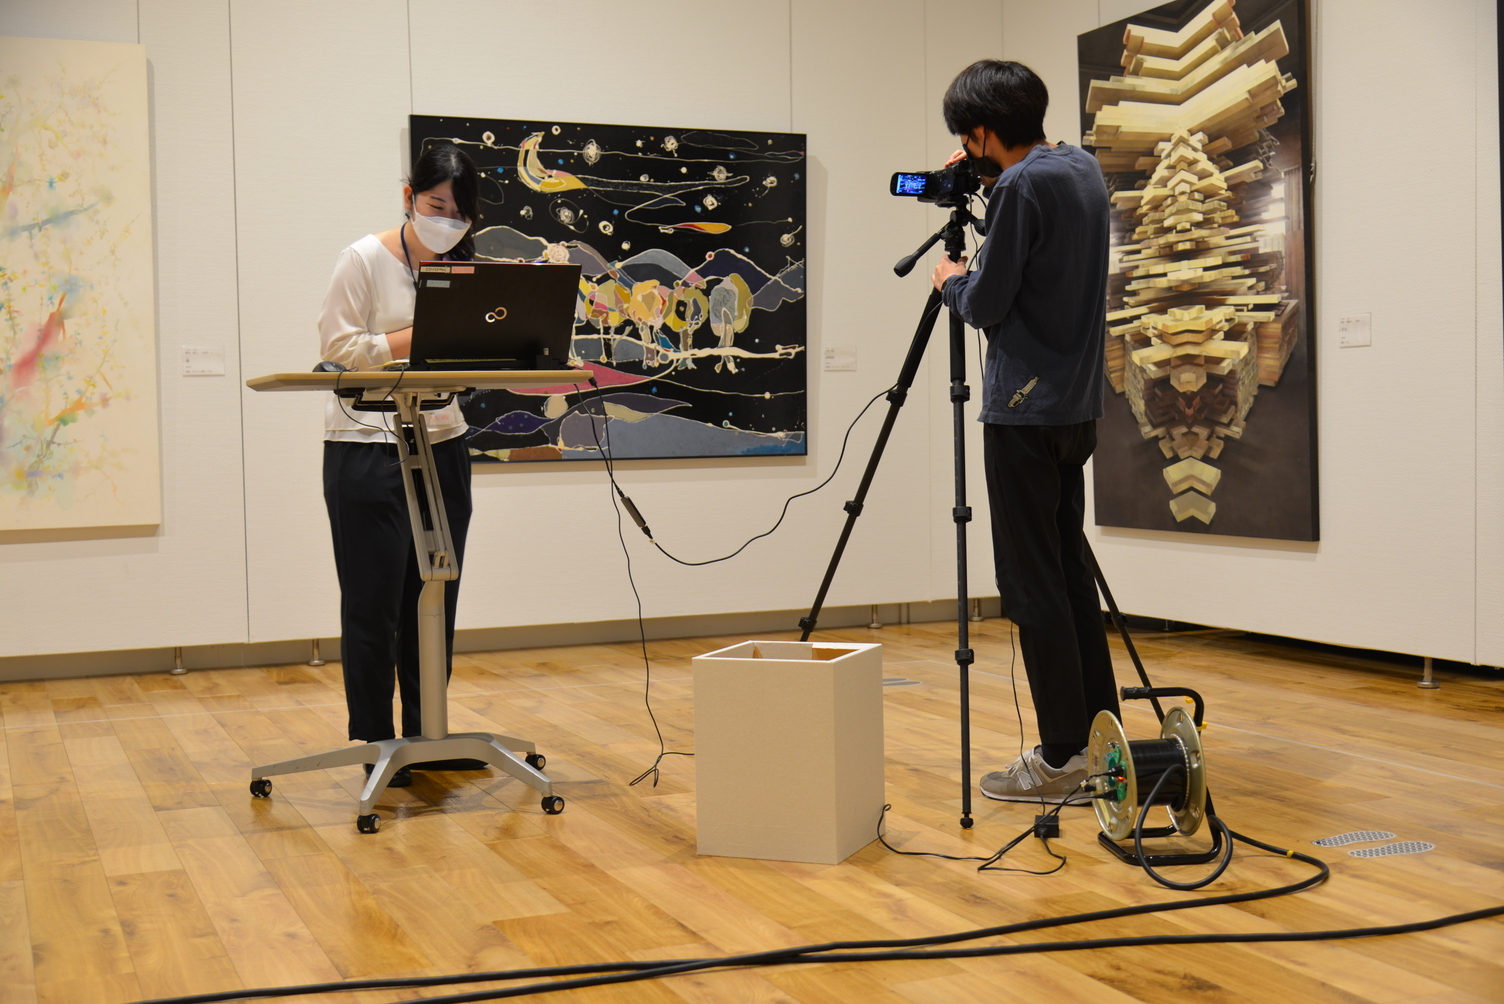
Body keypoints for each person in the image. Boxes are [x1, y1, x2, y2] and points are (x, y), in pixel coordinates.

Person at [930, 60, 1120, 803]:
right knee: (1068, 575)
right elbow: (1040, 263)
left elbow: (986, 303)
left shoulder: (1017, 188)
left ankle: (1061, 757)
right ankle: (1100, 745)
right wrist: (987, 179)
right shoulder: (1080, 168)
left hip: (1023, 413)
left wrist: (949, 280)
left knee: (1031, 584)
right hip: (1076, 410)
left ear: (981, 131)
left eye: (967, 137)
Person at [318, 143, 480, 786]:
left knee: (435, 594)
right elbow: (337, 348)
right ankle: (376, 741)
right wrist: (426, 333)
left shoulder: (466, 267)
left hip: (442, 440)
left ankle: (426, 732)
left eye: (459, 213)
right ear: (409, 197)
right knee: (374, 601)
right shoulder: (362, 259)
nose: (447, 222)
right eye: (437, 206)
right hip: (367, 445)